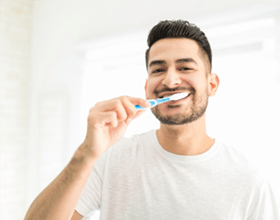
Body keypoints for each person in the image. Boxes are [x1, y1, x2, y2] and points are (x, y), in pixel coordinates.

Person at [24, 20, 280, 220]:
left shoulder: (249, 180)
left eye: (185, 67)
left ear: (211, 84)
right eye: (158, 69)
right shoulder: (112, 159)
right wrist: (86, 154)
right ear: (147, 87)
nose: (170, 81)